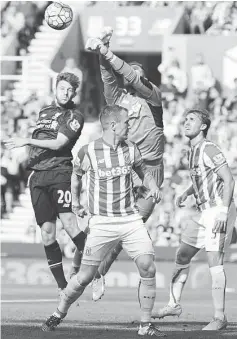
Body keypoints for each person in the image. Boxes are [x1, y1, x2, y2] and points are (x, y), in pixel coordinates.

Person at [41, 104, 165, 337]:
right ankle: (59, 312)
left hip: (130, 219)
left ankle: (145, 325)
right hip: (102, 222)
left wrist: (154, 186)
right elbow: (76, 177)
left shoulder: (131, 148)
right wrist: (75, 203)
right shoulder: (88, 151)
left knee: (148, 267)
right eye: (127, 122)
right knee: (86, 276)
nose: (130, 126)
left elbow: (144, 172)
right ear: (113, 125)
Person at [72, 27, 165, 301]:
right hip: (124, 169)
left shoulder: (152, 97)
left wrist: (106, 51)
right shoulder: (118, 101)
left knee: (131, 229)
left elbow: (130, 75)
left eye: (135, 73)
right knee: (114, 226)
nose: (130, 75)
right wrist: (103, 48)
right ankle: (95, 271)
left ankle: (99, 270)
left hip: (149, 171)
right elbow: (107, 77)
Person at [152, 109, 236, 331]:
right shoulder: (192, 150)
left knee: (214, 260)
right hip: (201, 211)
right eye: (185, 118)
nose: (186, 122)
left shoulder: (209, 148)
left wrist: (223, 212)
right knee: (183, 254)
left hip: (217, 210)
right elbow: (202, 177)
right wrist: (188, 191)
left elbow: (228, 180)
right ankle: (173, 304)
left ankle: (219, 317)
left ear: (203, 126)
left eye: (192, 119)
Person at [4, 72, 87, 294]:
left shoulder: (75, 115)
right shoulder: (45, 111)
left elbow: (60, 143)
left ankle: (96, 272)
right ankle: (63, 288)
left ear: (73, 93)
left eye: (70, 90)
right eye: (62, 88)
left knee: (70, 224)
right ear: (55, 88)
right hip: (38, 176)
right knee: (47, 233)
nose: (66, 93)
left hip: (59, 172)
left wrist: (26, 140)